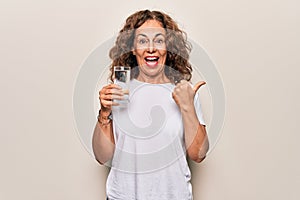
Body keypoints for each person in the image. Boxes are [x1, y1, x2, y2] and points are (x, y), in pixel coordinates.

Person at [92, 10, 209, 200]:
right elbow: (101, 156)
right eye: (143, 41)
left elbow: (199, 154)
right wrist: (104, 113)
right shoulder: (118, 91)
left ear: (169, 47)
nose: (151, 48)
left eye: (159, 40)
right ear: (132, 48)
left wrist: (187, 106)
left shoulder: (183, 91)